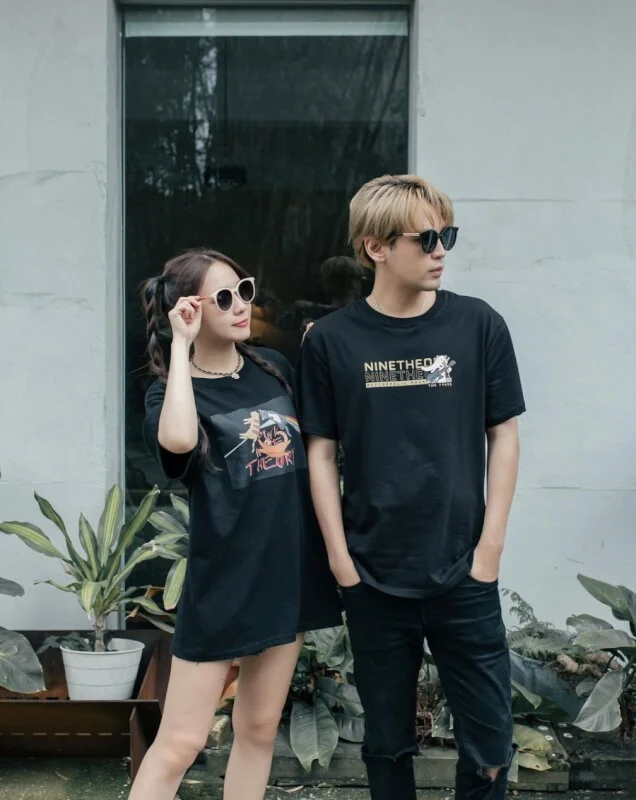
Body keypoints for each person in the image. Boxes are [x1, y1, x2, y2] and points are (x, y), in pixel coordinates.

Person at [297, 174, 526, 800]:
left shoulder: (479, 325)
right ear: (375, 247)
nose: (440, 250)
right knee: (387, 745)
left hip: (464, 571)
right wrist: (341, 561)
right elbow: (321, 452)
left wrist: (490, 550)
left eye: (446, 235)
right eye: (425, 238)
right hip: (373, 575)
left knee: (489, 746)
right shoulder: (332, 341)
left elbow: (503, 435)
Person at [129, 248, 341, 800]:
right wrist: (180, 348)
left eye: (243, 290)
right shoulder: (168, 392)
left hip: (286, 574)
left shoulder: (273, 368)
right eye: (223, 298)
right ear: (190, 309)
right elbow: (178, 442)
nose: (242, 305)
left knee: (259, 729)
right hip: (225, 582)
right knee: (180, 742)